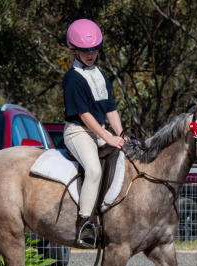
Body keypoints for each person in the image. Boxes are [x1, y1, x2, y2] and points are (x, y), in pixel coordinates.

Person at [63, 19, 126, 248]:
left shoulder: (100, 76)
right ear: (74, 49)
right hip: (78, 132)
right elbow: (85, 115)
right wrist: (109, 137)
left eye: (94, 49)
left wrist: (120, 133)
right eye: (85, 50)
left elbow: (110, 108)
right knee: (93, 169)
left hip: (99, 130)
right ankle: (84, 224)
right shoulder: (72, 78)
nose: (90, 54)